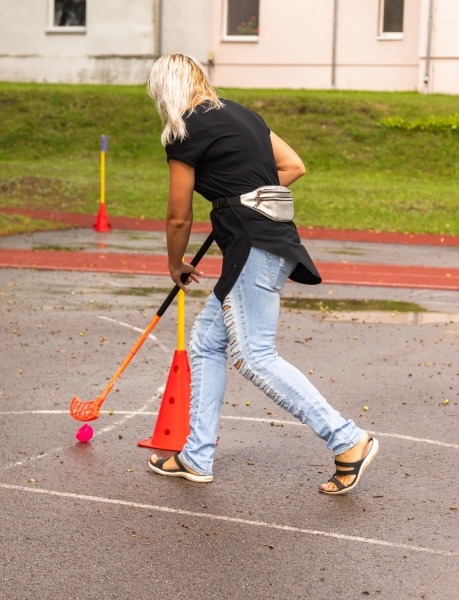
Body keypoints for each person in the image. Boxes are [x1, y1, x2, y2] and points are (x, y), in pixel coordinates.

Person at [145, 53, 378, 495]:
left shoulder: (183, 130)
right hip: (265, 240)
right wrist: (242, 196)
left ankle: (348, 440)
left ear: (166, 90)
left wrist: (176, 262)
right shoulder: (243, 115)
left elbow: (178, 216)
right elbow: (292, 166)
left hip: (254, 245)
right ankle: (196, 456)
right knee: (207, 342)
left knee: (255, 356)